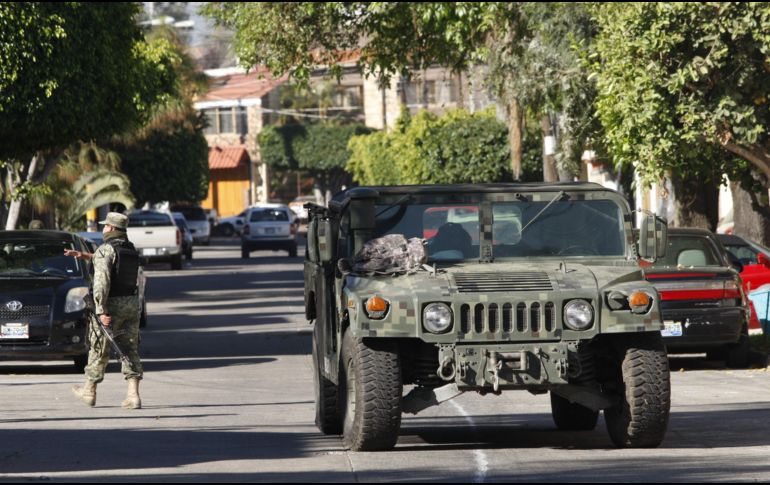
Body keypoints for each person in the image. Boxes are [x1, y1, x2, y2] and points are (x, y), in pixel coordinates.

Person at [65, 212, 143, 409]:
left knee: (99, 347)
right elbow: (115, 265)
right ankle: (133, 395)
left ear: (111, 228)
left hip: (111, 306)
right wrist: (86, 256)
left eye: (105, 226)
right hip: (131, 306)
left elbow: (101, 284)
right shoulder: (130, 249)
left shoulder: (105, 250)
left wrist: (101, 310)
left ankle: (89, 391)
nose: (103, 229)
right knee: (129, 349)